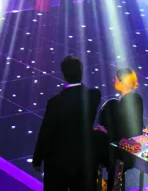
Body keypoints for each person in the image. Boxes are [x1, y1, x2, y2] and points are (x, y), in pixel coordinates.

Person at [33, 56, 102, 191]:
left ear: (63, 75)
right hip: (84, 159)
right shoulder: (94, 96)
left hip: (59, 163)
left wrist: (37, 158)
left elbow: (46, 133)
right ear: (81, 73)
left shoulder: (56, 103)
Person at [97, 68, 144, 190]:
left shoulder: (119, 106)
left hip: (121, 152)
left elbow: (118, 134)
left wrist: (104, 131)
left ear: (122, 83)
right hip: (134, 148)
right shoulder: (137, 98)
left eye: (116, 79)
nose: (114, 80)